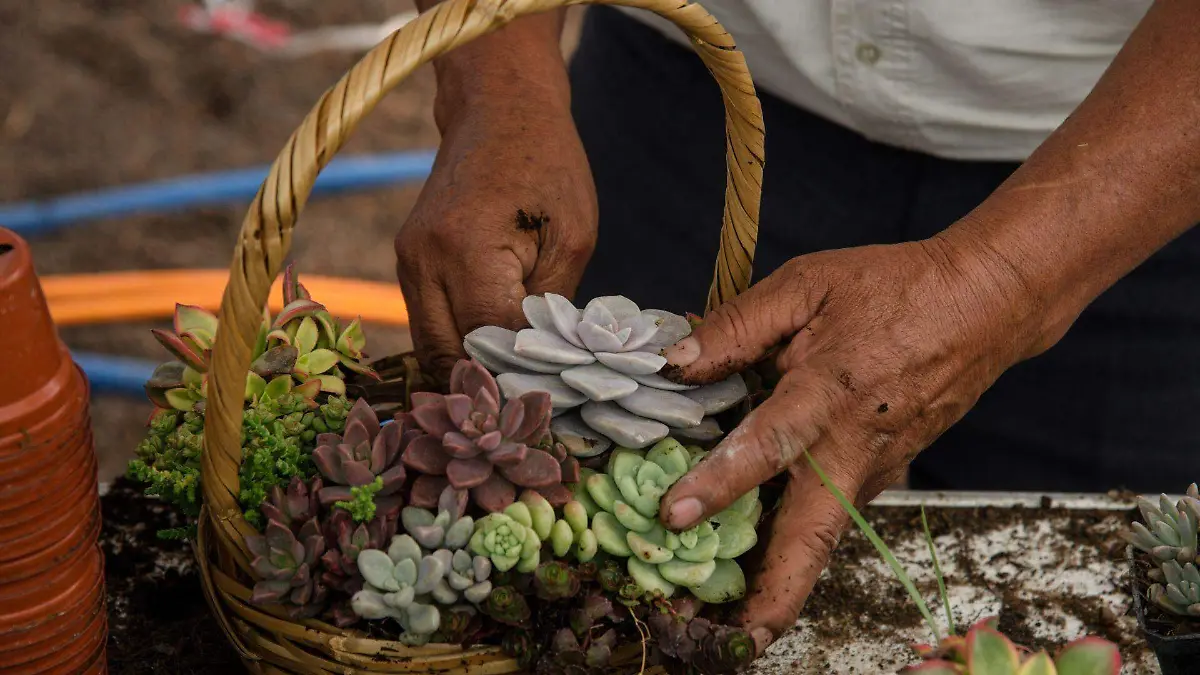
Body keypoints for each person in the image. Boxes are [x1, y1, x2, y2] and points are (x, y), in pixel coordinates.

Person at [395, 0, 1200, 652]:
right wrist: (496, 86)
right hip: (686, 103)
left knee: (1112, 615)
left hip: (1135, 160)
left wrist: (1004, 278)